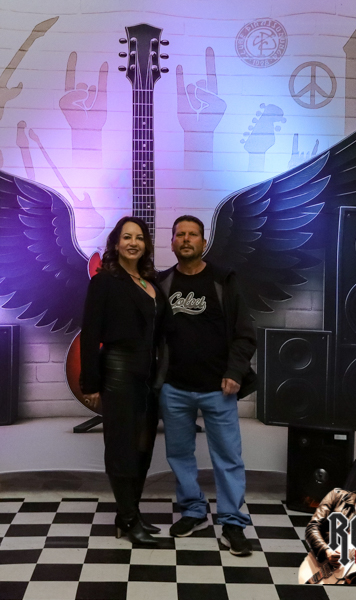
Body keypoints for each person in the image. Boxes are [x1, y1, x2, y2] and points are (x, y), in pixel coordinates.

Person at [157, 215, 257, 556]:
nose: (186, 239)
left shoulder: (223, 281)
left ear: (203, 241)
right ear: (172, 242)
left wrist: (235, 372)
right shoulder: (163, 283)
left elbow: (245, 334)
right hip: (174, 389)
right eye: (180, 234)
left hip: (219, 388)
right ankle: (193, 511)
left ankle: (232, 522)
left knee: (227, 457)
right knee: (179, 455)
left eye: (193, 234)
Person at [80, 216, 167, 547]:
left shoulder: (151, 282)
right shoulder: (104, 282)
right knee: (122, 448)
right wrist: (90, 384)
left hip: (149, 376)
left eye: (139, 238)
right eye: (127, 237)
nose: (134, 243)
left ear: (146, 245)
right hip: (118, 372)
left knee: (143, 447)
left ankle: (128, 515)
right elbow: (90, 335)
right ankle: (129, 519)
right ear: (116, 244)